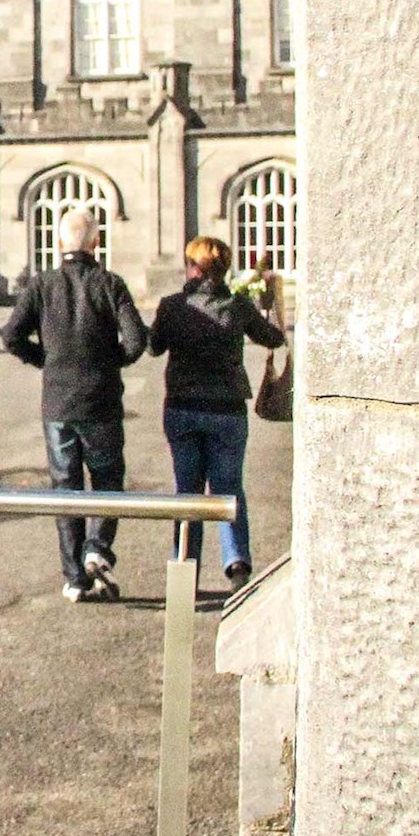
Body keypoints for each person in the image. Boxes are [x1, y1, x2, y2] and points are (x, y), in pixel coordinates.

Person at [2, 208, 147, 601]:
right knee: (107, 479)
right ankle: (97, 549)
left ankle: (74, 579)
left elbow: (11, 336)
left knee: (65, 487)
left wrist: (46, 361)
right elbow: (136, 342)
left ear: (60, 242)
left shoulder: (42, 285)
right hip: (100, 400)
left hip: (59, 403)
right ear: (96, 243)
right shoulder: (110, 284)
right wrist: (106, 362)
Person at [147, 236, 287, 589]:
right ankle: (236, 562)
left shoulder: (172, 305)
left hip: (183, 407)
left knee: (188, 492)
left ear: (194, 268)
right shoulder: (237, 305)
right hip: (227, 409)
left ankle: (184, 569)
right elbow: (273, 338)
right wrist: (268, 301)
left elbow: (152, 347)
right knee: (228, 488)